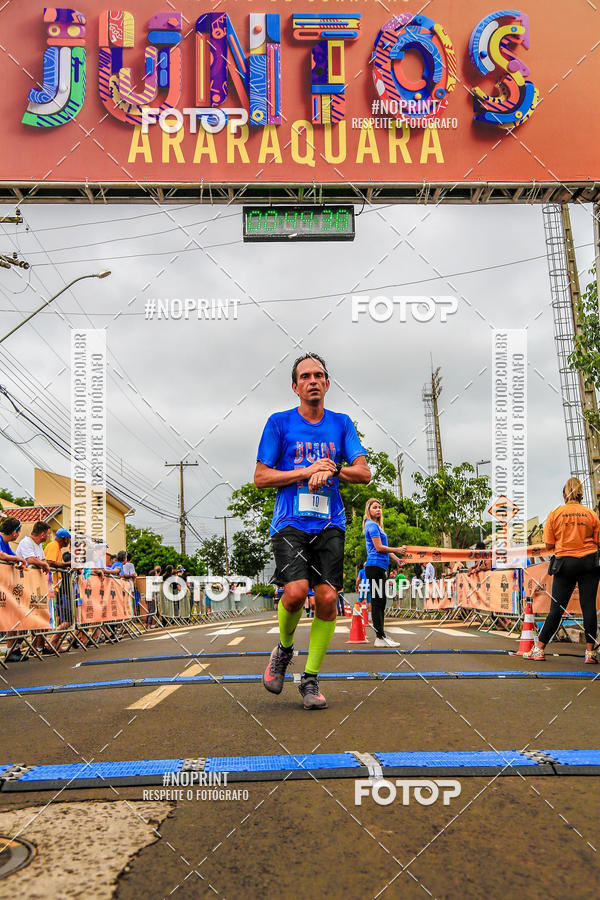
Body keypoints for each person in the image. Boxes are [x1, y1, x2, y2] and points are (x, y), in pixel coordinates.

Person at [255, 352, 371, 709]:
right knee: (294, 592)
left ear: (327, 384)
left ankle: (310, 680)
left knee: (325, 598)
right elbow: (261, 477)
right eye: (305, 376)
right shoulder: (279, 423)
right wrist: (305, 472)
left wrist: (332, 469)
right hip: (290, 521)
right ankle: (284, 650)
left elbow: (364, 473)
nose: (313, 381)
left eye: (319, 375)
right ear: (295, 386)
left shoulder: (341, 423)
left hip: (330, 522)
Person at [524, 477, 600, 664]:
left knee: (556, 608)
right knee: (589, 607)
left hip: (565, 563)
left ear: (565, 494)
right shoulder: (591, 514)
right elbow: (598, 541)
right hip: (589, 563)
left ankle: (539, 649)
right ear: (581, 494)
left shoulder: (556, 513)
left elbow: (549, 543)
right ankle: (590, 654)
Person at [363, 498, 405, 647]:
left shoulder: (378, 527)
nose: (378, 509)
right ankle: (380, 637)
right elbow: (380, 548)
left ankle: (382, 635)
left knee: (380, 602)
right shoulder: (372, 526)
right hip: (374, 566)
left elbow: (384, 548)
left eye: (380, 507)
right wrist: (398, 550)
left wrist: (396, 559)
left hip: (380, 566)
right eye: (375, 507)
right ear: (369, 510)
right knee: (377, 602)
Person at [0, 517, 28, 662]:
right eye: (19, 532)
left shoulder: (5, 543)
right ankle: (10, 650)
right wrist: (18, 560)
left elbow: (11, 555)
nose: (18, 535)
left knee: (14, 617)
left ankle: (12, 650)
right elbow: (2, 555)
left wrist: (18, 559)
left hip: (6, 587)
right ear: (14, 532)